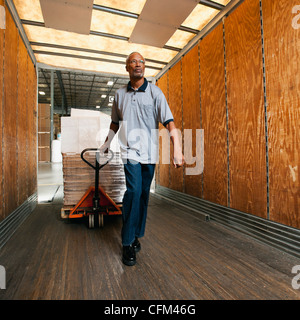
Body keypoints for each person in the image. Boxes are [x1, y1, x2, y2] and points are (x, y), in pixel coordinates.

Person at [100, 52, 184, 266]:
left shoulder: (155, 93)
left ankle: (136, 234)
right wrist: (106, 144)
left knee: (144, 195)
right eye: (133, 61)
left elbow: (170, 123)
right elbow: (115, 124)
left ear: (144, 67)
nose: (137, 64)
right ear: (127, 67)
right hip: (129, 152)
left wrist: (178, 150)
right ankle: (127, 242)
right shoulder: (119, 95)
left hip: (149, 152)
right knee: (134, 191)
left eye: (141, 61)